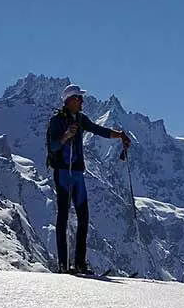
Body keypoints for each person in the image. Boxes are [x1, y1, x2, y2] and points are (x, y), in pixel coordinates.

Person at [47, 83, 131, 274]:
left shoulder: (81, 119)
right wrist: (65, 136)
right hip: (63, 171)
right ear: (69, 101)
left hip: (76, 172)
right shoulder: (57, 121)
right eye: (78, 98)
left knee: (83, 217)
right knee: (63, 217)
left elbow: (97, 129)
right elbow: (52, 146)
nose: (82, 100)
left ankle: (79, 263)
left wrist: (119, 136)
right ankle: (63, 264)